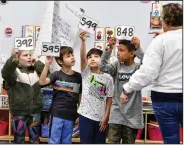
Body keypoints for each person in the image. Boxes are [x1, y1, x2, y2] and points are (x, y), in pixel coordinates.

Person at [120, 3, 182, 144]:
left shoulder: (159, 41)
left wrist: (126, 88)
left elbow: (148, 73)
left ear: (164, 20)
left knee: (170, 140)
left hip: (164, 98)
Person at [100, 37, 144, 143]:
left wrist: (139, 49)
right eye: (118, 50)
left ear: (132, 53)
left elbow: (149, 64)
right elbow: (102, 67)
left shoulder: (138, 68)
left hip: (132, 115)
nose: (118, 53)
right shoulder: (117, 66)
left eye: (122, 50)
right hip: (116, 113)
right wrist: (109, 48)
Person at [39, 46, 82, 144]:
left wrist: (79, 114)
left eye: (72, 55)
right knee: (54, 140)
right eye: (68, 56)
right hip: (57, 113)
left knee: (66, 141)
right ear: (60, 61)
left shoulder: (78, 76)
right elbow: (41, 82)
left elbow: (80, 96)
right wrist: (46, 65)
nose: (72, 57)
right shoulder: (56, 75)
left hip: (71, 114)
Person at [2, 48, 45, 144]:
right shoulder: (14, 72)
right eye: (25, 55)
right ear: (18, 58)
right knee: (19, 137)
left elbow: (47, 76)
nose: (29, 57)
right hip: (19, 112)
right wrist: (13, 60)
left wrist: (37, 63)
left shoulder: (36, 70)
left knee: (35, 137)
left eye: (30, 55)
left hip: (35, 111)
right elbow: (5, 73)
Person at [77, 32, 114, 144]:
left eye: (96, 56)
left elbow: (109, 99)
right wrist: (83, 41)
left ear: (102, 59)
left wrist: (106, 117)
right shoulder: (86, 73)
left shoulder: (108, 78)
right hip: (85, 116)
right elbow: (82, 57)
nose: (92, 59)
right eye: (90, 57)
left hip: (100, 118)